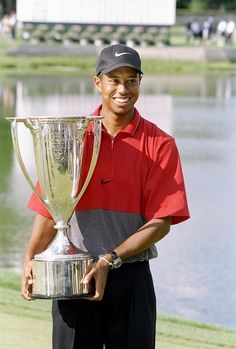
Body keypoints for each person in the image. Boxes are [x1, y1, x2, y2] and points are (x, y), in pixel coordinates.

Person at [21, 44, 190, 349]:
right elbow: (51, 212)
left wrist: (109, 260)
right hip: (73, 277)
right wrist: (31, 257)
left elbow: (162, 221)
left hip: (130, 281)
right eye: (114, 79)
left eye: (131, 80)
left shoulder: (160, 144)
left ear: (140, 82)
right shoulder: (70, 137)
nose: (122, 89)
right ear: (97, 82)